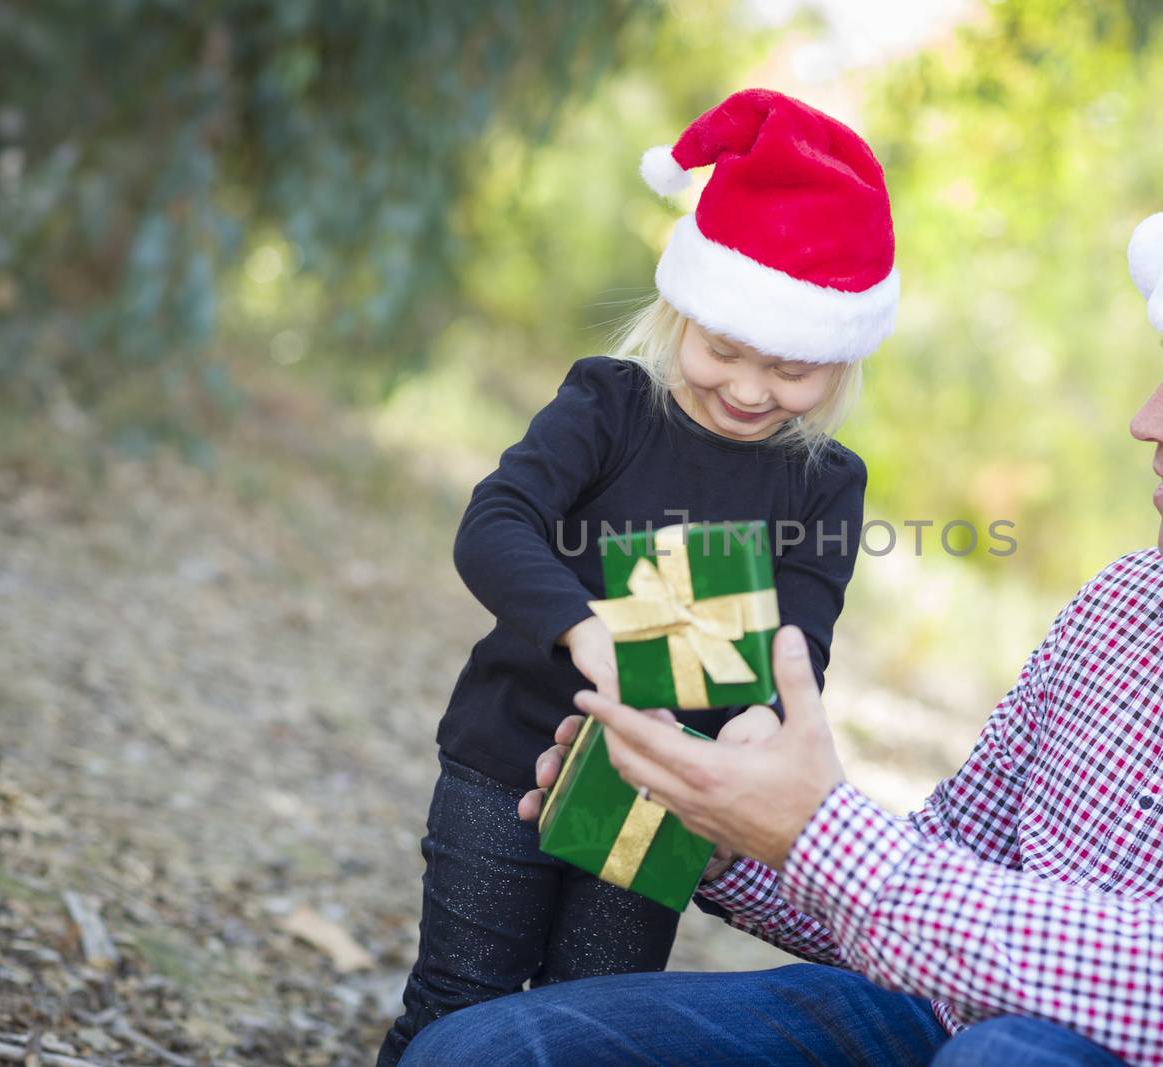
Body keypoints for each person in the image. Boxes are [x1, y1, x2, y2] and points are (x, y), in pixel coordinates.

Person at [399, 150, 1163, 1067]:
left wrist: (816, 833)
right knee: (497, 1047)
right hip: (950, 1026)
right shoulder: (1129, 608)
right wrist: (716, 812)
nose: (1145, 421)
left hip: (1057, 1046)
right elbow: (941, 878)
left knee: (1015, 1051)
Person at [376, 88, 902, 1066]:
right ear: (680, 311)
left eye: (790, 369)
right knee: (458, 1004)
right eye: (723, 349)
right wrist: (586, 631)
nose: (749, 388)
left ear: (840, 355)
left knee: (590, 1027)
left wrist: (760, 722)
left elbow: (800, 638)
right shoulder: (609, 405)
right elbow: (495, 522)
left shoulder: (825, 482)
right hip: (508, 758)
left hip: (660, 792)